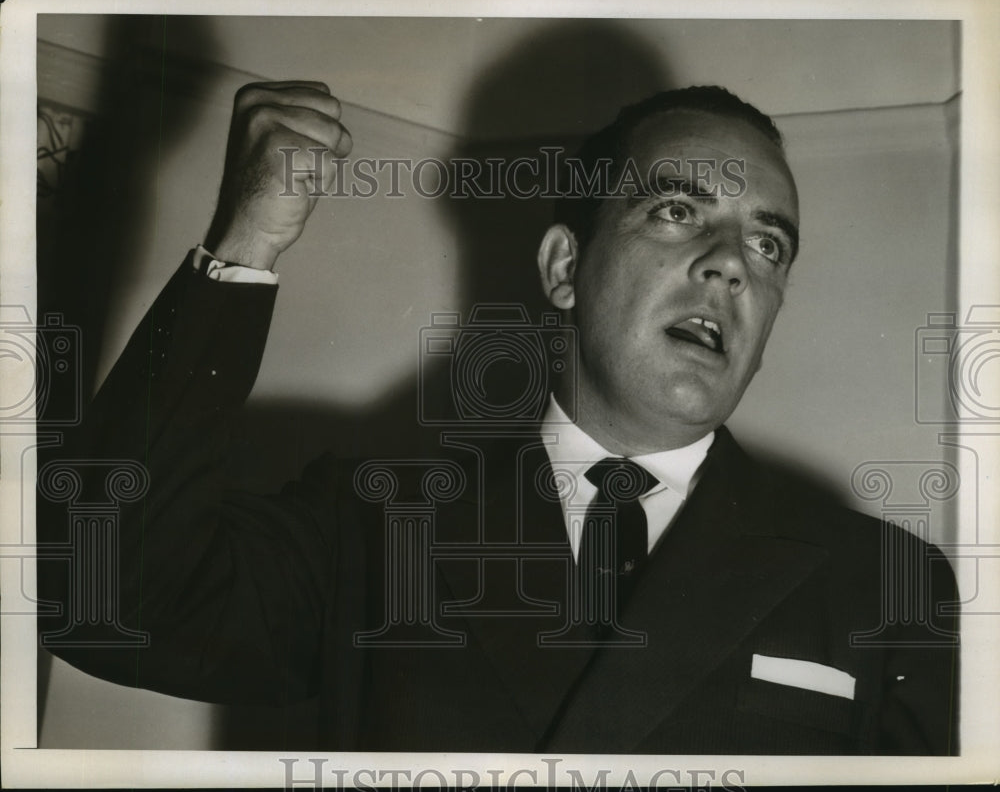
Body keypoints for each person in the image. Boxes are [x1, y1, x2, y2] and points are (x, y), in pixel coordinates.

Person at [37, 80, 959, 754]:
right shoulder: (378, 525)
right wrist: (246, 245)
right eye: (679, 210)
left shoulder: (883, 586)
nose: (732, 264)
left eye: (768, 243)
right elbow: (103, 594)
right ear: (564, 269)